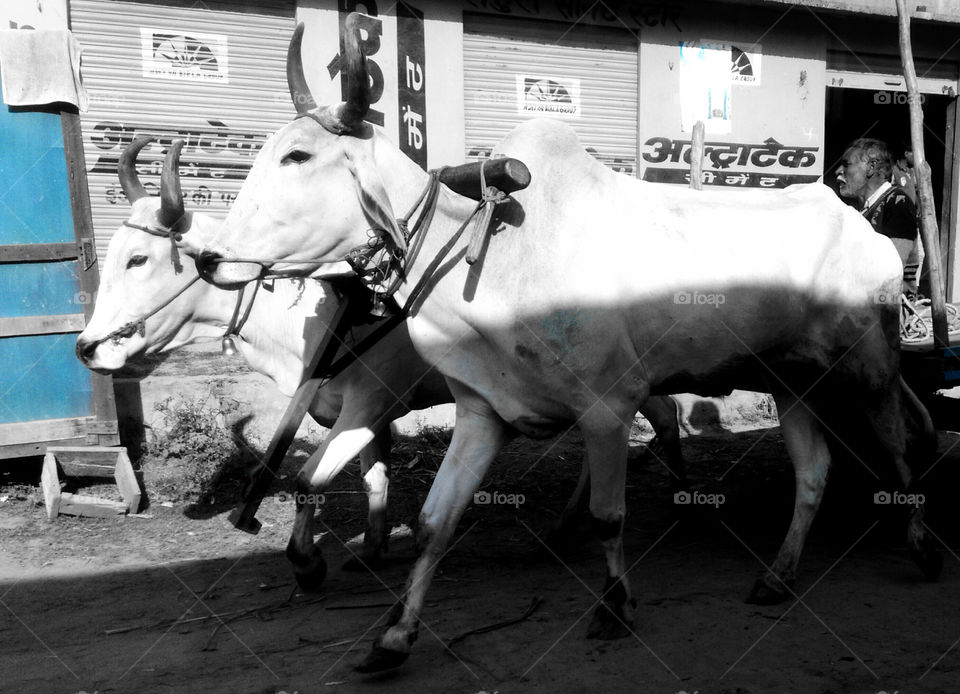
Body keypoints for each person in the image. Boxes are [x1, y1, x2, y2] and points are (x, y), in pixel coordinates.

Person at [835, 137, 922, 296]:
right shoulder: (860, 210)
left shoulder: (898, 204)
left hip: (886, 305)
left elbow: (891, 273)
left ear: (871, 168)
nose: (838, 171)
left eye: (846, 165)